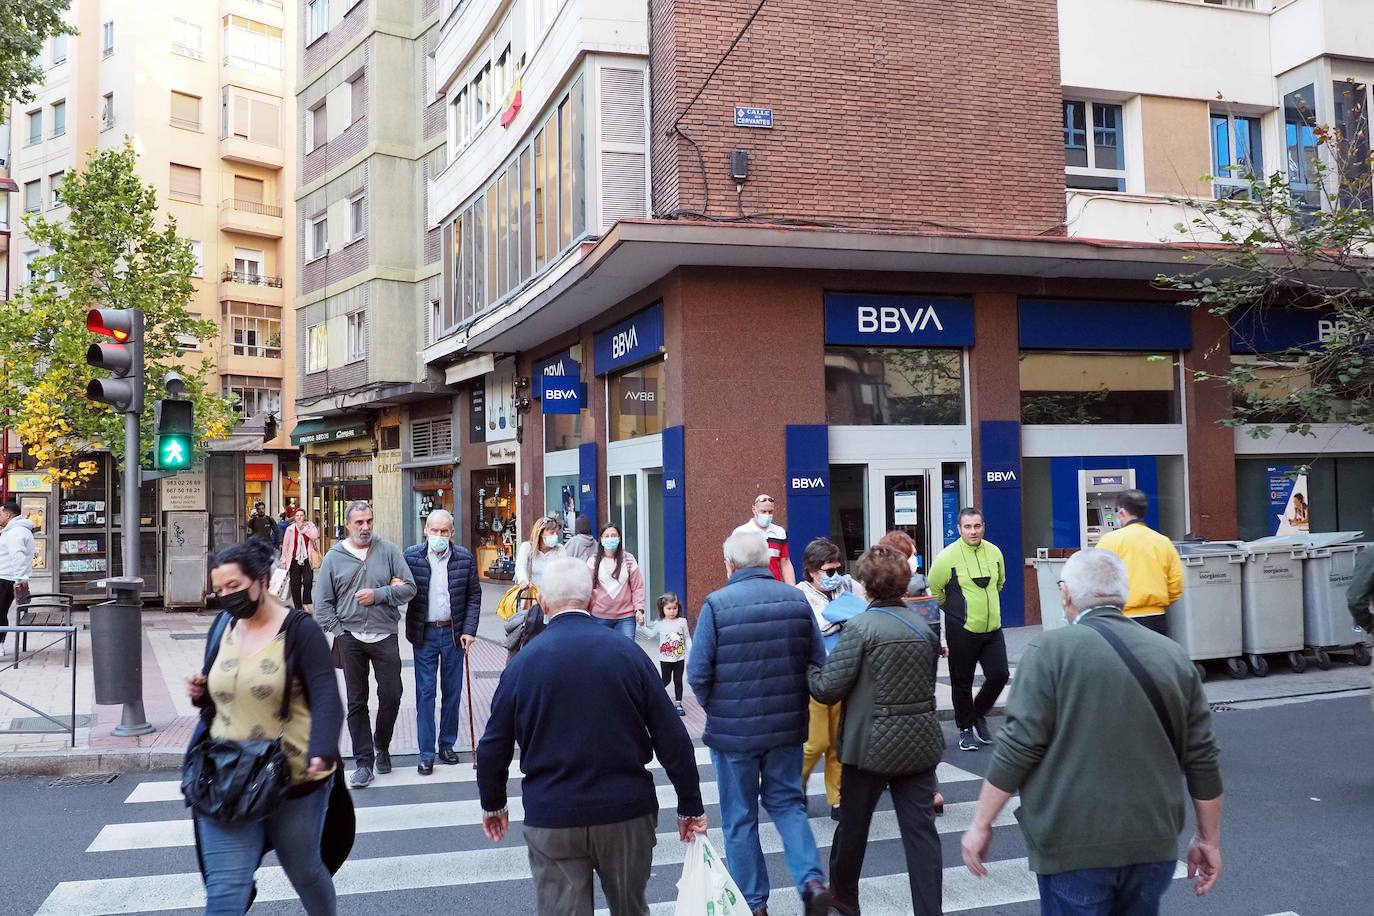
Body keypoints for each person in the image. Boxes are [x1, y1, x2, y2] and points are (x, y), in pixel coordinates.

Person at [961, 549, 1224, 915]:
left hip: (1072, 844)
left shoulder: (1050, 651)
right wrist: (1208, 838)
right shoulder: (1172, 655)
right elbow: (1202, 758)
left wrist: (981, 823)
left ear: (1065, 593)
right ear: (1124, 594)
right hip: (1152, 843)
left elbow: (1018, 747)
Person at [477, 558, 706, 916]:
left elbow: (494, 745)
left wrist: (494, 803)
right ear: (592, 599)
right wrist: (689, 805)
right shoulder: (628, 653)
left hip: (553, 814)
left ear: (543, 603)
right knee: (631, 908)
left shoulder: (523, 663)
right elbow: (672, 736)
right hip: (626, 811)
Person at [184, 539, 353, 916]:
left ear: (261, 581)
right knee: (226, 888)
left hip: (292, 779)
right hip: (227, 777)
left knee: (305, 872)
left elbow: (326, 694)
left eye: (235, 586)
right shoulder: (223, 626)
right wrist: (201, 692)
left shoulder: (299, 629)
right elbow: (221, 690)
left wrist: (323, 748)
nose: (227, 596)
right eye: (220, 589)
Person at [687, 530, 833, 916]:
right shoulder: (796, 600)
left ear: (729, 564)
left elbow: (698, 672)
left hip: (733, 733)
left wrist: (716, 707)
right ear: (768, 562)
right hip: (787, 726)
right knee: (787, 804)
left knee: (739, 818)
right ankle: (812, 881)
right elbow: (817, 661)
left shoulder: (717, 605)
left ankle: (754, 904)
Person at [809, 544, 945, 916]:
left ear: (865, 586)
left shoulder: (862, 628)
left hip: (868, 745)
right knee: (922, 836)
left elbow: (828, 688)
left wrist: (809, 665)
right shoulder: (923, 626)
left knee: (853, 827)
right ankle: (930, 909)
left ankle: (844, 897)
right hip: (918, 744)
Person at [314, 501, 417, 789]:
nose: (365, 527)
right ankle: (363, 762)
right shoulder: (334, 557)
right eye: (359, 522)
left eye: (369, 521)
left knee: (392, 695)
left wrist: (380, 594)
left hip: (385, 634)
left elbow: (410, 588)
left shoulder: (388, 550)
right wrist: (340, 632)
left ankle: (381, 744)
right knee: (357, 701)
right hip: (351, 638)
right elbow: (322, 603)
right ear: (347, 524)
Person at [403, 509, 481, 776]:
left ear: (452, 533)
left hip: (453, 634)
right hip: (423, 634)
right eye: (434, 530)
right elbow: (400, 590)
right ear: (426, 530)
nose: (439, 536)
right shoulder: (411, 556)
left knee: (452, 692)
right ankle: (426, 754)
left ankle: (446, 744)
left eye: (444, 531)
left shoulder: (465, 558)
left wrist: (469, 630)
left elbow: (474, 597)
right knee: (425, 694)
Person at [928, 507, 1009, 753]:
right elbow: (935, 590)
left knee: (999, 675)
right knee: (961, 682)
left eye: (977, 526)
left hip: (992, 628)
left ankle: (977, 714)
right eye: (967, 527)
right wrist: (955, 612)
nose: (973, 531)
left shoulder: (995, 552)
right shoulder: (947, 556)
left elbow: (1000, 583)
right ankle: (965, 729)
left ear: (983, 526)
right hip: (962, 629)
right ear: (959, 529)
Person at [796, 538, 851, 821]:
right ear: (813, 570)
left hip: (844, 672)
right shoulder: (798, 594)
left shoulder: (846, 587)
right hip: (815, 676)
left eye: (837, 569)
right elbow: (805, 631)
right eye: (829, 570)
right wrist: (839, 619)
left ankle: (837, 798)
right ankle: (795, 788)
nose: (834, 575)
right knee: (815, 742)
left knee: (837, 744)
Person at [1096, 489, 1183, 636]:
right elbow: (1176, 586)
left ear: (1122, 513)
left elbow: (1097, 580)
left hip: (1122, 618)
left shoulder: (1109, 541)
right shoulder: (1163, 541)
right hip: (1158, 619)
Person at [587, 523, 645, 639]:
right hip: (599, 616)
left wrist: (639, 609)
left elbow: (637, 587)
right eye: (606, 536)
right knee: (601, 653)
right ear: (601, 539)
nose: (610, 539)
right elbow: (587, 589)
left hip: (625, 618)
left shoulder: (629, 559)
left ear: (619, 539)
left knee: (626, 653)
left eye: (613, 535)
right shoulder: (593, 561)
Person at [637, 592, 690, 715]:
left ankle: (678, 704)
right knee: (665, 680)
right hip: (665, 659)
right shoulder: (660, 623)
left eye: (674, 608)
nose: (672, 611)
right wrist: (642, 626)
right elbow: (651, 634)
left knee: (678, 680)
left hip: (679, 658)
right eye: (669, 608)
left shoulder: (682, 622)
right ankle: (655, 698)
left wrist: (691, 651)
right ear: (663, 609)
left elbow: (687, 637)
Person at [733, 494, 796, 585]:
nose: (767, 515)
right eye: (763, 511)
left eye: (770, 512)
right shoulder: (740, 532)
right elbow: (734, 565)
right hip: (749, 587)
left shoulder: (779, 532)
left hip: (774, 586)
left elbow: (785, 562)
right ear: (754, 509)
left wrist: (792, 589)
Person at [0, 501, 36, 648]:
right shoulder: (13, 530)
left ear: (8, 515)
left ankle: (0, 644)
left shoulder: (16, 532)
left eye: (0, 514)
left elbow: (18, 556)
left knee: (0, 612)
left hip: (6, 578)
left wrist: (20, 579)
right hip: (7, 576)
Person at [280, 508, 321, 610]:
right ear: (295, 517)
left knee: (308, 581)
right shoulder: (290, 529)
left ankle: (306, 602)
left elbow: (315, 536)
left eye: (301, 515)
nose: (299, 517)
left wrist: (304, 529)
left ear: (305, 516)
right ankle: (298, 606)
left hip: (307, 559)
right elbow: (286, 545)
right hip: (294, 559)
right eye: (297, 516)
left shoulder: (310, 526)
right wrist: (284, 560)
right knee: (295, 584)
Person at [514, 515, 564, 590]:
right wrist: (523, 580)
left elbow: (565, 570)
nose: (555, 536)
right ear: (540, 533)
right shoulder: (527, 547)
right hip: (532, 593)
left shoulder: (559, 549)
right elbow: (520, 566)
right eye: (552, 532)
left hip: (553, 595)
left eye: (557, 533)